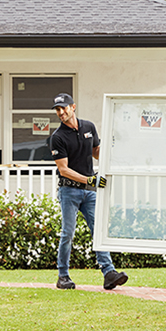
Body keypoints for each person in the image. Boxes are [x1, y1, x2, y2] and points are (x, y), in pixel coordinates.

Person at [50, 93, 129, 291]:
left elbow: (95, 151)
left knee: (98, 231)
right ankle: (63, 276)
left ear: (73, 107)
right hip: (69, 191)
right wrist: (89, 179)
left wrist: (114, 149)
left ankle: (109, 273)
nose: (61, 112)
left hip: (90, 192)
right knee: (67, 233)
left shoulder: (88, 127)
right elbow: (64, 169)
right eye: (58, 110)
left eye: (64, 108)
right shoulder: (57, 137)